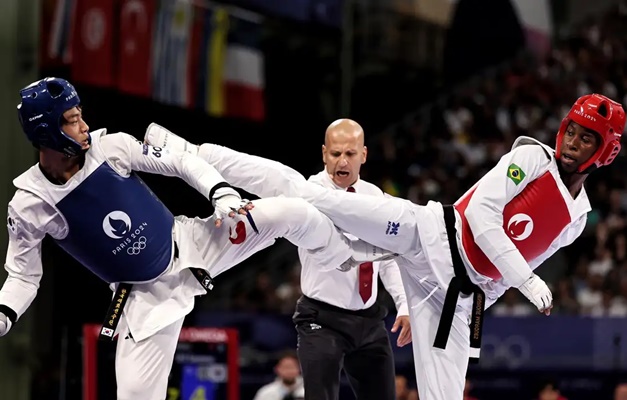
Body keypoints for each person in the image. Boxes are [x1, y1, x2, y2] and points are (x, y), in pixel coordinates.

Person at [144, 93, 626, 400]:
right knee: (302, 194)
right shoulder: (530, 158)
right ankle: (191, 154)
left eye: (588, 140)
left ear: (604, 151)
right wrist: (528, 280)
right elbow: (479, 216)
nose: (573, 144)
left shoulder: (578, 220)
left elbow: (507, 271)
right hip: (428, 236)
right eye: (573, 133)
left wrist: (483, 297)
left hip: (454, 301)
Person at [0, 78, 391, 400]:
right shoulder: (30, 205)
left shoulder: (111, 146)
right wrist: (4, 314)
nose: (83, 125)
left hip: (197, 242)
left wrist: (218, 191)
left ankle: (350, 254)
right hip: (144, 298)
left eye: (80, 114)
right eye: (71, 120)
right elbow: (22, 277)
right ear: (45, 130)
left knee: (295, 210)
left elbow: (179, 162)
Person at [292, 119, 410, 400]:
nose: (341, 162)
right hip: (322, 319)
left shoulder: (376, 197)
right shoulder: (308, 196)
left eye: (350, 154)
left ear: (364, 155)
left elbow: (389, 257)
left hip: (369, 321)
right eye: (335, 154)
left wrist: (404, 305)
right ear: (324, 154)